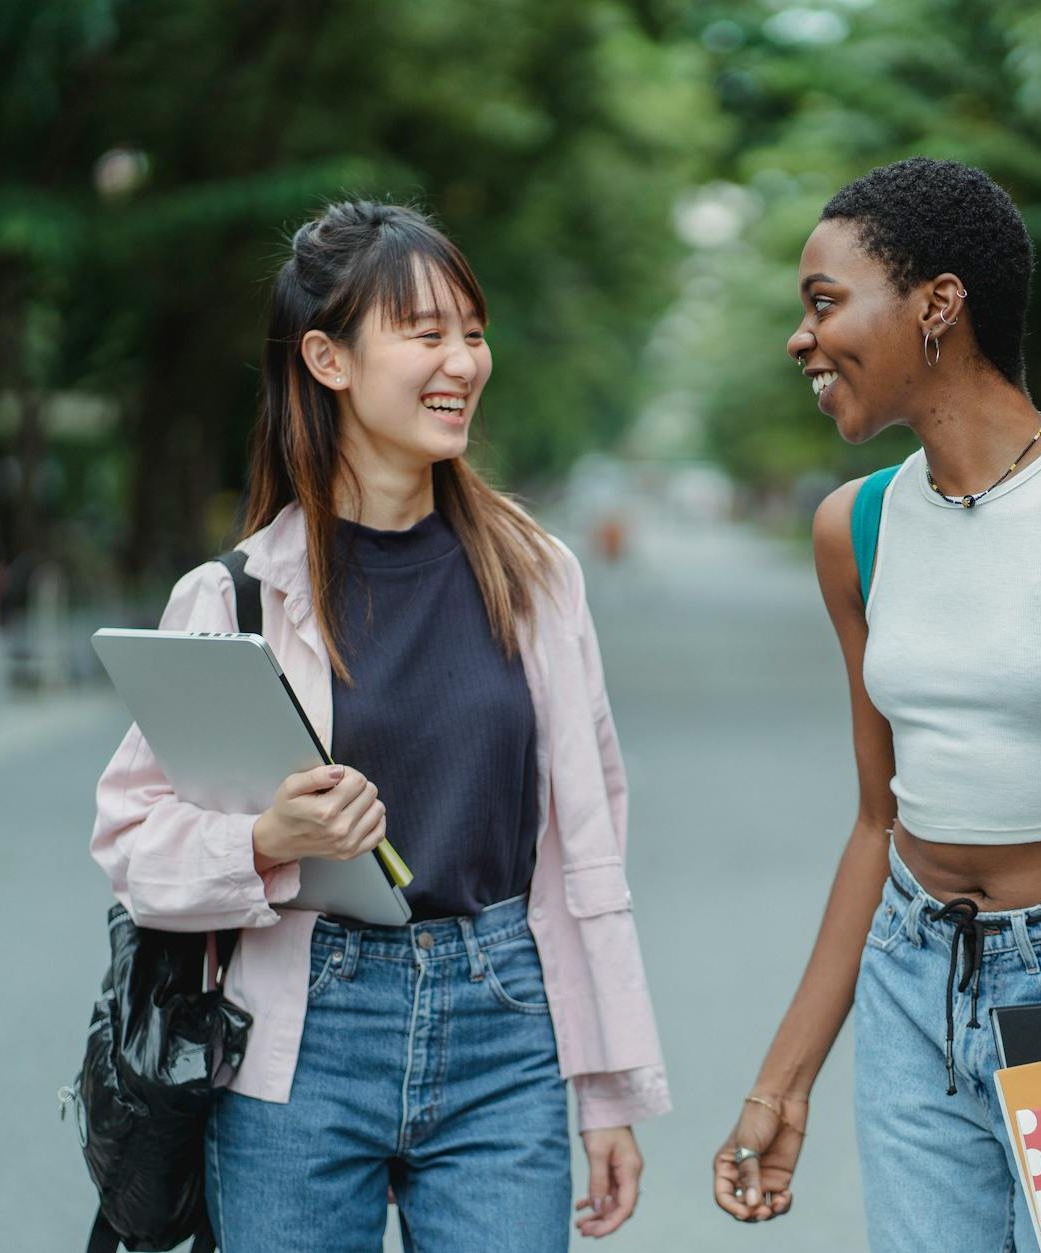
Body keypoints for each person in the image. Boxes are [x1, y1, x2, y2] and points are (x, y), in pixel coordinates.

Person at [91, 200, 670, 1252]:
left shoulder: (536, 577)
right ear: (328, 359)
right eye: (425, 332)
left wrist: (606, 1087)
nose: (463, 361)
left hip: (505, 1026)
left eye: (472, 332)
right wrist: (266, 839)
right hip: (301, 1035)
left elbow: (590, 849)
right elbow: (130, 842)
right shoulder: (234, 598)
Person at [710, 158, 1041, 1250]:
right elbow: (878, 821)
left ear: (937, 304)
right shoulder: (853, 530)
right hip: (915, 985)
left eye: (824, 302)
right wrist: (782, 1080)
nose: (799, 339)